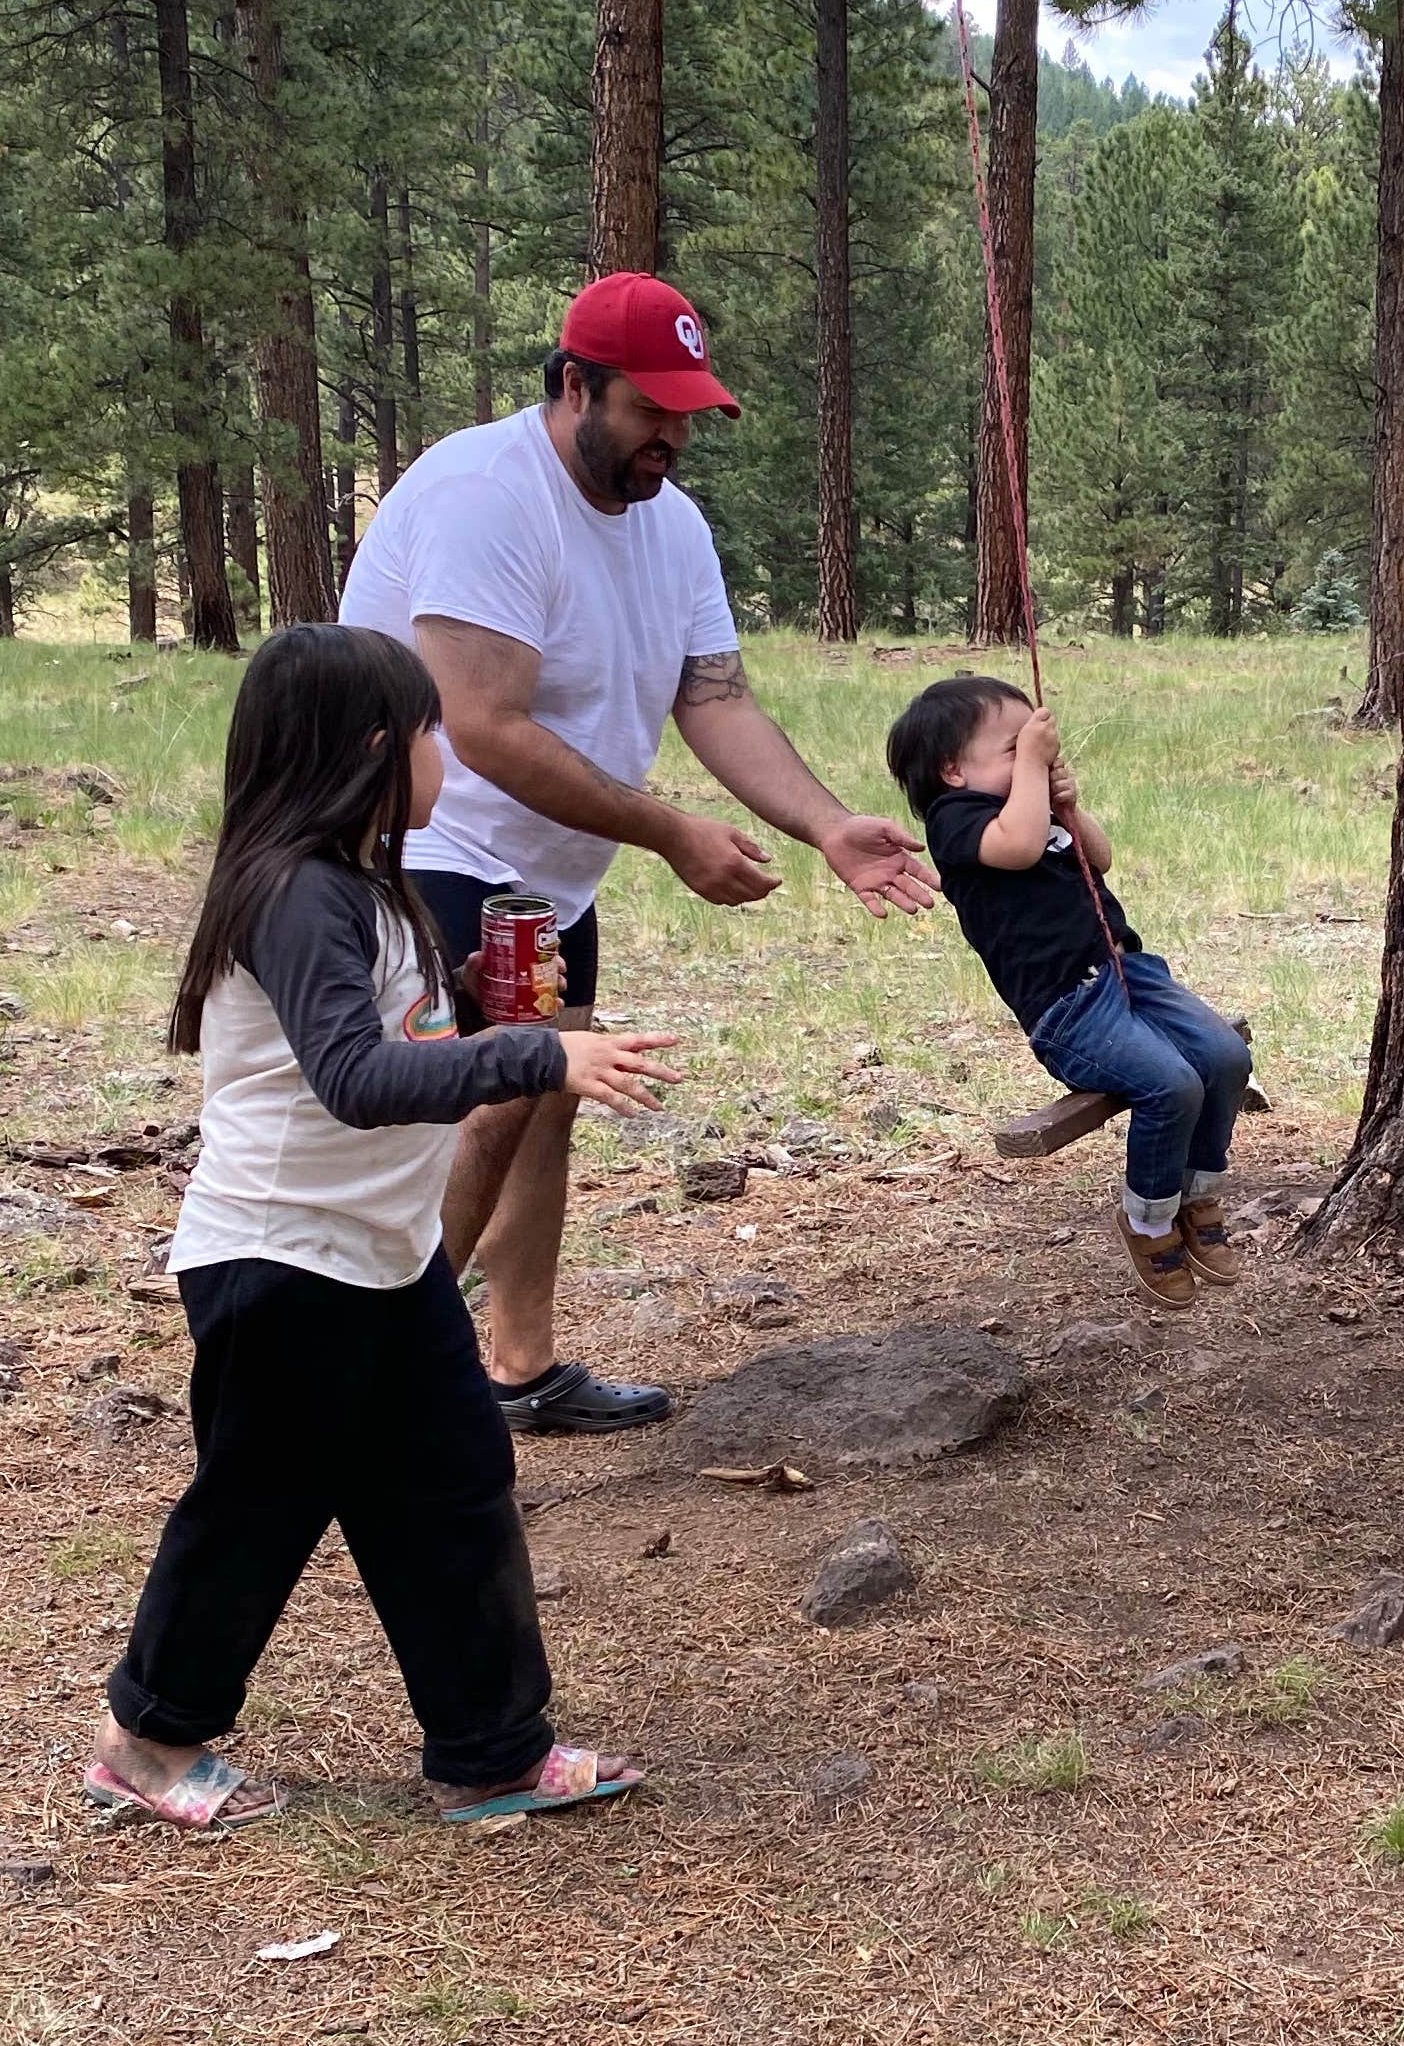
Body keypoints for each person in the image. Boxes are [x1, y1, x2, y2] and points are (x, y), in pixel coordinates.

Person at [88, 625, 670, 1836]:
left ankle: (492, 1751)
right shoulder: (295, 892)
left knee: (454, 1486)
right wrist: (530, 1053)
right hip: (281, 1263)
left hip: (381, 1257)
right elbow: (356, 1077)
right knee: (255, 1508)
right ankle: (146, 1741)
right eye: (428, 732)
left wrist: (479, 995)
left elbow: (392, 1027)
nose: (441, 752)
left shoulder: (362, 881)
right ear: (372, 749)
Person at [341, 273, 934, 1435]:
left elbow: (713, 699)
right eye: (650, 410)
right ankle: (396, 1386)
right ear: (575, 387)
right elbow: (480, 725)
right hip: (429, 844)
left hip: (551, 868)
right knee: (494, 1095)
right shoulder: (485, 496)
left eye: (689, 412)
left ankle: (517, 1368)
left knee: (544, 1093)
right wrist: (666, 832)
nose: (673, 435)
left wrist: (823, 827)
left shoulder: (674, 525)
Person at [885, 671, 1252, 1312]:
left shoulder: (1032, 805)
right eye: (1013, 748)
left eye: (1037, 744)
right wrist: (1034, 772)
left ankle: (1198, 1193)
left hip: (1127, 969)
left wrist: (1071, 807)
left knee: (1225, 1057)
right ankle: (1148, 1219)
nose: (1035, 755)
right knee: (1171, 1084)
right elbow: (1021, 848)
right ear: (952, 770)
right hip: (1068, 1006)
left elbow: (1099, 860)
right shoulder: (956, 820)